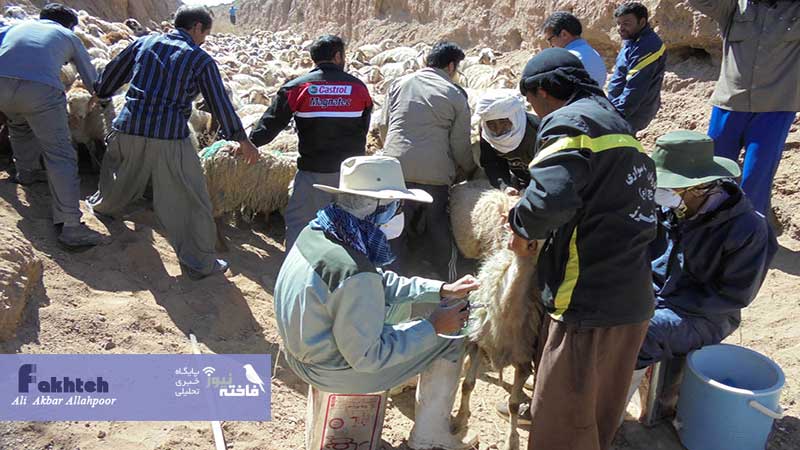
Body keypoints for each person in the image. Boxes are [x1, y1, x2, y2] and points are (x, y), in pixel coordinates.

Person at [501, 48, 657, 450]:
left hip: (585, 306)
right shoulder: (620, 128)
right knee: (597, 417)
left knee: (560, 423)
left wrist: (520, 220)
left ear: (546, 91)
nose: (533, 111)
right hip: (632, 301)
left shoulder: (569, 121)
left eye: (531, 100)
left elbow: (550, 201)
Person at [275, 155, 480, 450]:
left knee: (399, 308)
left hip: (301, 350)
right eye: (396, 206)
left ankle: (400, 378)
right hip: (329, 370)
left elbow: (379, 283)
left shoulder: (322, 232)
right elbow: (368, 356)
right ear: (379, 208)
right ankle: (430, 436)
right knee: (450, 339)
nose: (400, 213)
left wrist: (442, 289)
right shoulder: (356, 272)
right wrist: (433, 326)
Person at [88, 5, 259, 280]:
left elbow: (112, 76)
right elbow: (220, 103)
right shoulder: (199, 59)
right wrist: (241, 139)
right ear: (196, 28)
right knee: (190, 197)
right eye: (206, 33)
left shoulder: (143, 42)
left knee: (120, 176)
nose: (204, 39)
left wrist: (102, 93)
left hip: (128, 126)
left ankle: (102, 207)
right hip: (168, 135)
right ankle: (200, 263)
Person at [624, 130, 778, 407]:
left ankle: (606, 417)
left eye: (670, 187)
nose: (661, 193)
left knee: (639, 334)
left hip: (703, 314)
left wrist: (654, 307)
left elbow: (733, 296)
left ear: (700, 187)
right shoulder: (672, 208)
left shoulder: (747, 229)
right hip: (653, 296)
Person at [250, 34, 373, 250]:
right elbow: (363, 128)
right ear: (337, 56)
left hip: (312, 173)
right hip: (350, 174)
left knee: (301, 224)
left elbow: (270, 125)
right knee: (347, 227)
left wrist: (248, 143)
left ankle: (297, 273)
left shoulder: (296, 88)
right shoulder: (359, 88)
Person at [0, 3, 105, 247]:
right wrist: (102, 101)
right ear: (69, 25)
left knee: (18, 125)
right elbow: (91, 79)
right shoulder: (68, 35)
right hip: (41, 90)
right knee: (60, 154)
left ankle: (25, 173)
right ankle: (70, 227)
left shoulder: (14, 26)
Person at [687, 0, 800, 215]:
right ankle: (709, 234)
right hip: (729, 105)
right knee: (714, 176)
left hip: (775, 109)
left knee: (756, 180)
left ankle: (749, 241)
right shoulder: (733, 6)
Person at [381, 42, 473, 281]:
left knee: (394, 226)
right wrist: (470, 169)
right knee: (438, 226)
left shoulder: (398, 84)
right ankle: (450, 282)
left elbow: (384, 126)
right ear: (451, 65)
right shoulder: (455, 94)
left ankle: (391, 281)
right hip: (434, 174)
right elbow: (460, 144)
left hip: (395, 169)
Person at [607, 2, 666, 133]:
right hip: (619, 110)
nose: (620, 28)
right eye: (618, 23)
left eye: (626, 24)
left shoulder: (647, 46)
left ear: (642, 22)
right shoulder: (632, 41)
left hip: (630, 114)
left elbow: (635, 88)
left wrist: (616, 115)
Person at [473, 90, 540, 194]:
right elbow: (491, 162)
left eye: (503, 122)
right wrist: (504, 186)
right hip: (521, 181)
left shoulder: (537, 129)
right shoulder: (487, 133)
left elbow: (550, 169)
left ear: (514, 118)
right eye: (491, 124)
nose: (498, 130)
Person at [542, 11, 607, 88]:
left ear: (564, 34)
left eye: (550, 39)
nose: (550, 45)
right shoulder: (593, 53)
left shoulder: (567, 59)